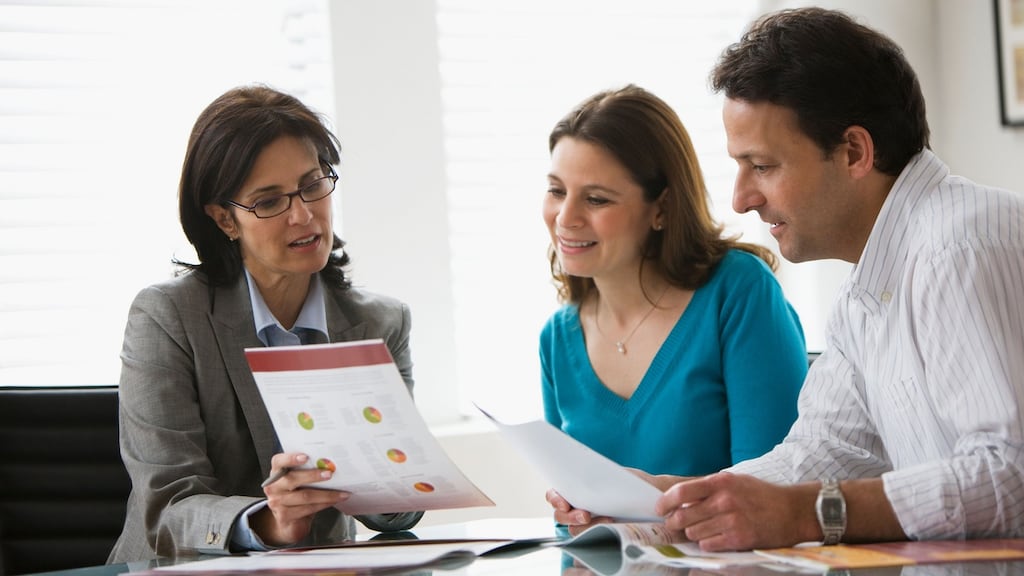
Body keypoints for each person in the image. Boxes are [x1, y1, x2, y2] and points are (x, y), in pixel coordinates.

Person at [553, 7, 1024, 550]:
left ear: (853, 152)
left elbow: (1009, 474)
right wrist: (666, 501)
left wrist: (807, 514)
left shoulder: (958, 247)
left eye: (763, 166)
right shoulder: (868, 289)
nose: (741, 198)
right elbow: (823, 453)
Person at [109, 85, 423, 562]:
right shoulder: (168, 318)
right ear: (224, 219)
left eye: (312, 185)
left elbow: (399, 509)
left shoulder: (381, 322)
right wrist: (266, 521)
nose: (304, 215)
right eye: (270, 201)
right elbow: (166, 506)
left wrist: (399, 480)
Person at [541, 85, 808, 486]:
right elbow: (570, 505)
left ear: (662, 208)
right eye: (557, 191)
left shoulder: (738, 292)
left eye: (596, 199)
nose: (565, 217)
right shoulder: (556, 340)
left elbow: (773, 491)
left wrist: (649, 497)